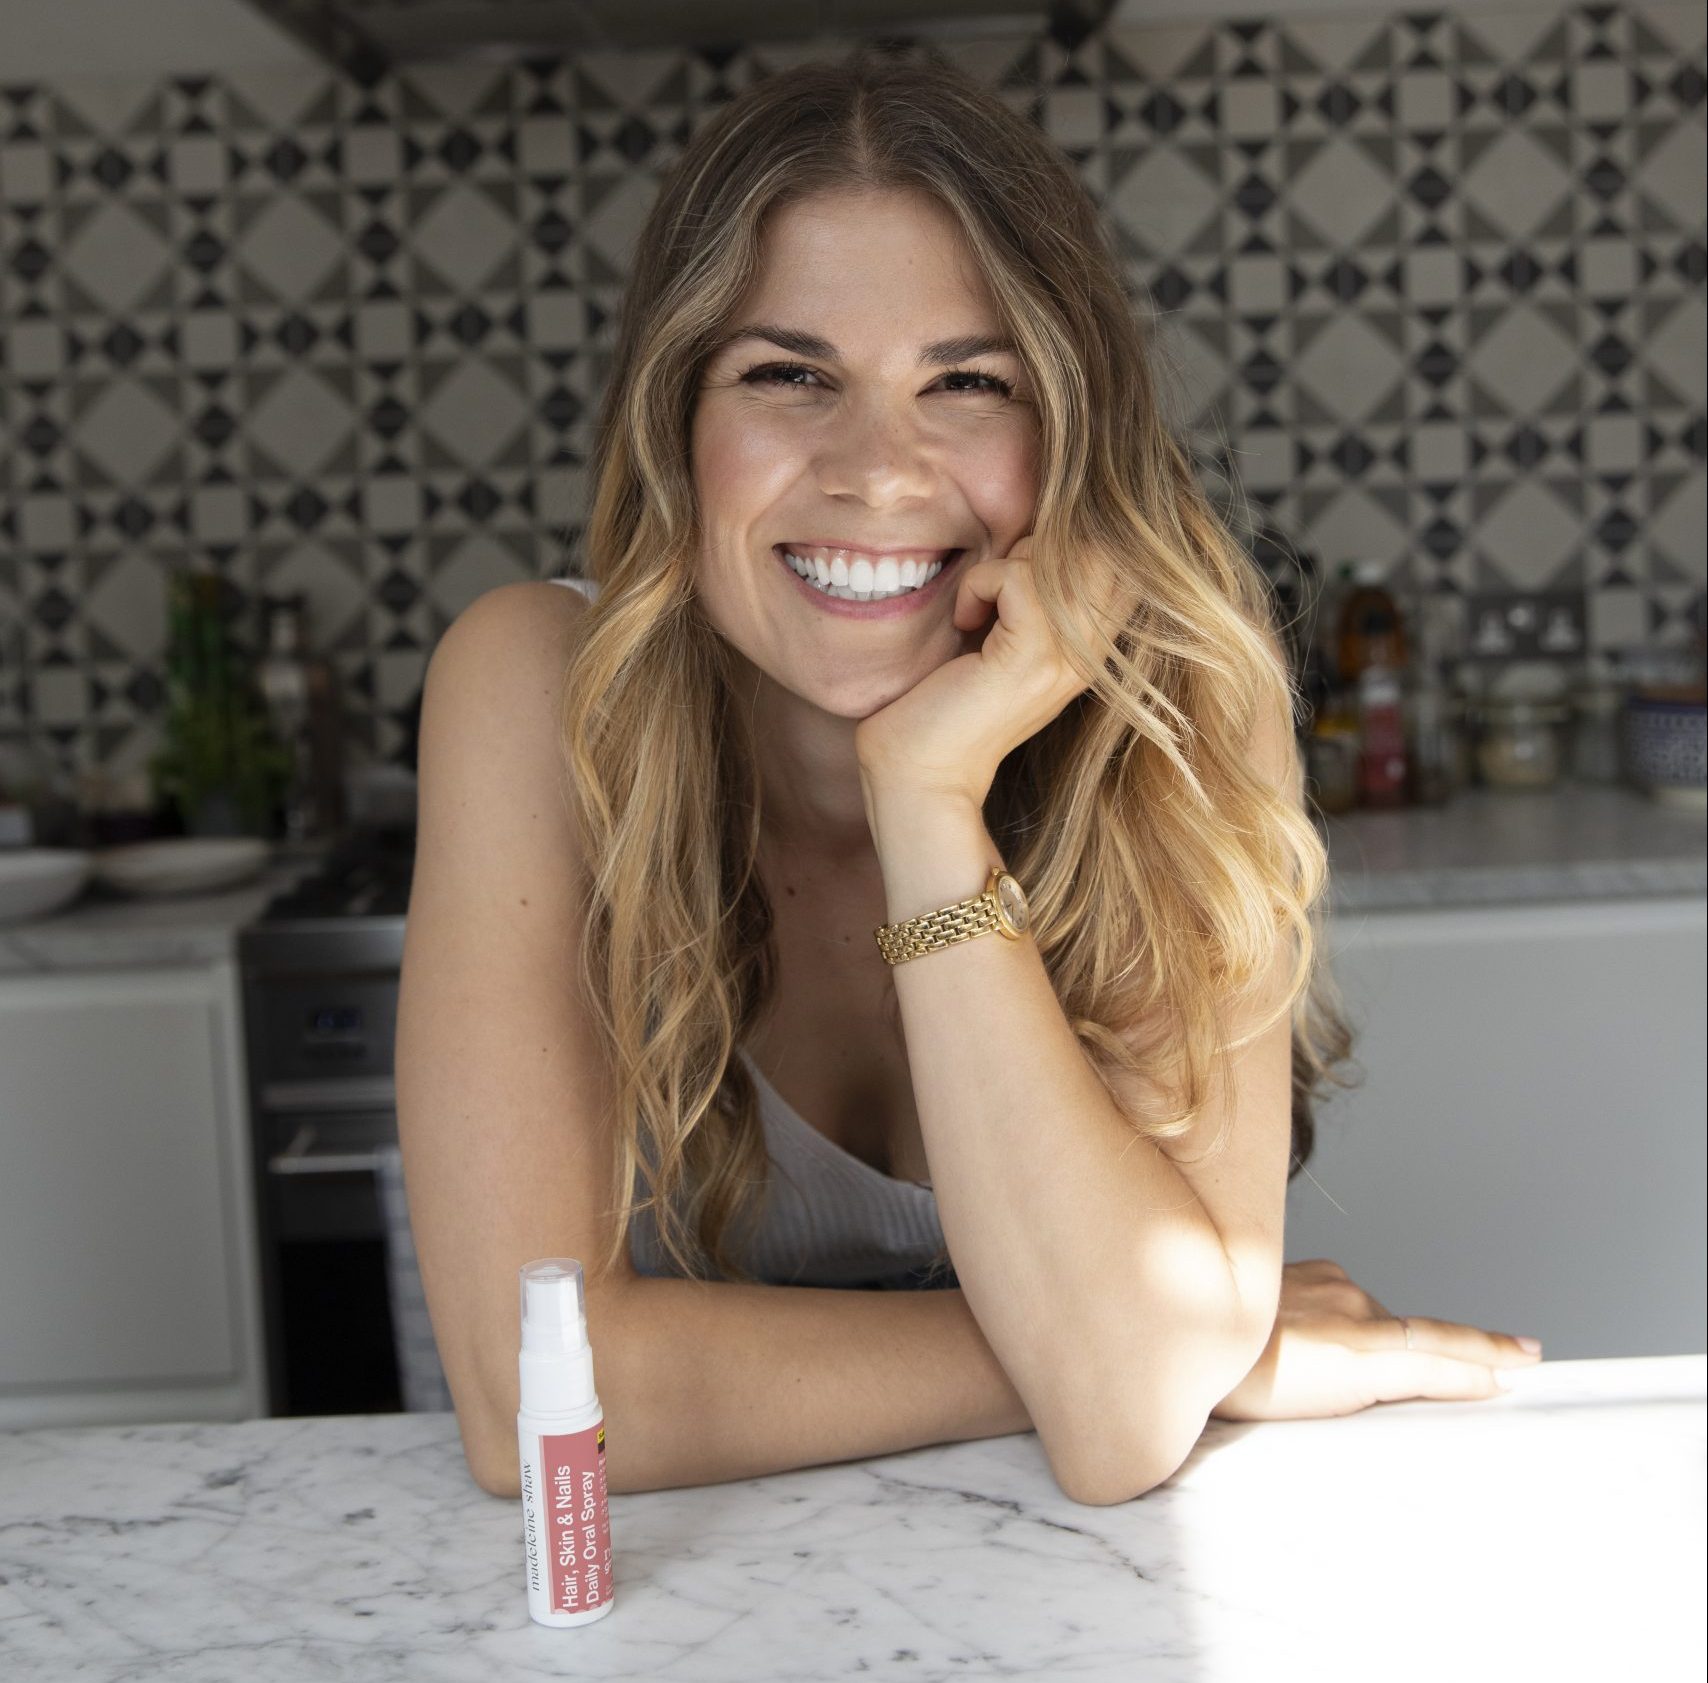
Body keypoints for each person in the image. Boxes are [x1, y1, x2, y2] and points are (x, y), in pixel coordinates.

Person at [395, 48, 1541, 1507]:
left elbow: (1122, 1424)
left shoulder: (1175, 700)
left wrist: (927, 800)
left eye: (969, 382)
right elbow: (533, 1409)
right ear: (675, 425)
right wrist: (1153, 1351)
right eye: (790, 375)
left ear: (1064, 430)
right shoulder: (530, 684)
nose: (878, 470)